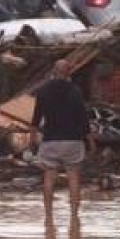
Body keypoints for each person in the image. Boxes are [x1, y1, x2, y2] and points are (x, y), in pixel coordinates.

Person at [31, 59, 90, 218]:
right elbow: (83, 118)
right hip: (73, 141)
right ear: (68, 73)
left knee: (49, 177)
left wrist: (32, 139)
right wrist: (90, 140)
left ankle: (48, 217)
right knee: (73, 177)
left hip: (50, 140)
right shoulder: (75, 91)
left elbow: (36, 118)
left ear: (53, 71)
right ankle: (74, 216)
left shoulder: (42, 91)